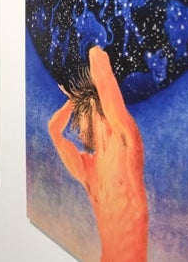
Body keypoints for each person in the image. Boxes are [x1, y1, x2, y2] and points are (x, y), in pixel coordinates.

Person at [47, 46, 148, 262]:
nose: (79, 131)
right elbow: (54, 130)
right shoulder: (88, 169)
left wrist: (87, 93)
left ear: (92, 106)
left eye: (79, 119)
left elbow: (97, 57)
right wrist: (73, 102)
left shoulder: (125, 141)